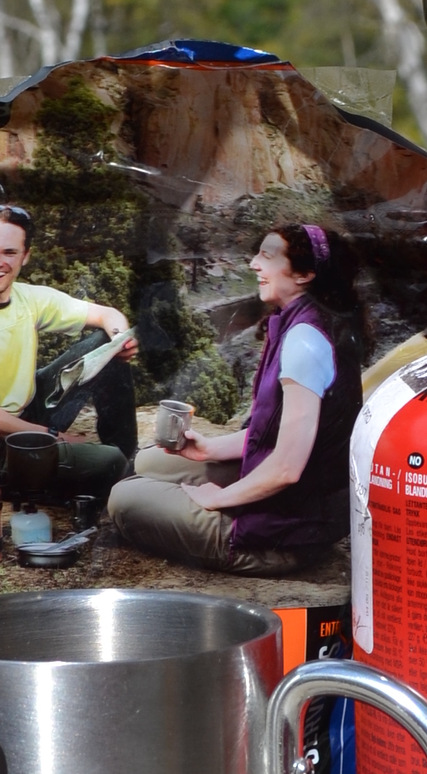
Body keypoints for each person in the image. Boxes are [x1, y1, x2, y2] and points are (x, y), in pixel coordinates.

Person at [107, 224, 363, 577]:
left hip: (285, 536)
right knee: (149, 462)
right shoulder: (309, 322)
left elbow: (288, 468)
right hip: (300, 506)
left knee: (124, 499)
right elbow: (283, 433)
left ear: (304, 274)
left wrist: (218, 499)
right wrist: (209, 450)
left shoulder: (305, 341)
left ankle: (231, 536)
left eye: (268, 256)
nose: (254, 264)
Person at [0, 206, 139, 514]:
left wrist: (122, 339)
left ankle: (124, 461)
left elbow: (106, 315)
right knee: (108, 464)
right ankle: (97, 473)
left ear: (25, 255)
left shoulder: (27, 298)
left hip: (25, 412)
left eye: (9, 253)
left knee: (107, 343)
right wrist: (60, 439)